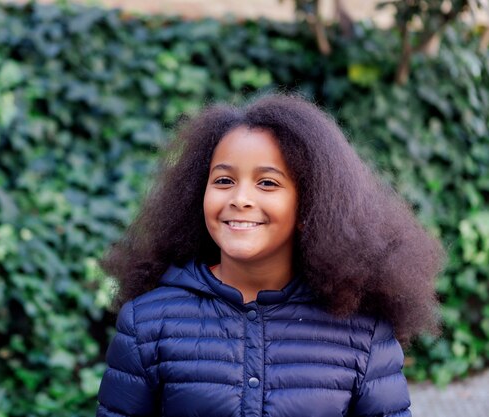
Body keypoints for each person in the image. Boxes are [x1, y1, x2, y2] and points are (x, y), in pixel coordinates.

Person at [96, 94, 443, 417]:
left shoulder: (362, 332)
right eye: (223, 180)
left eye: (267, 183)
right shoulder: (147, 324)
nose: (240, 198)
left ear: (310, 206)